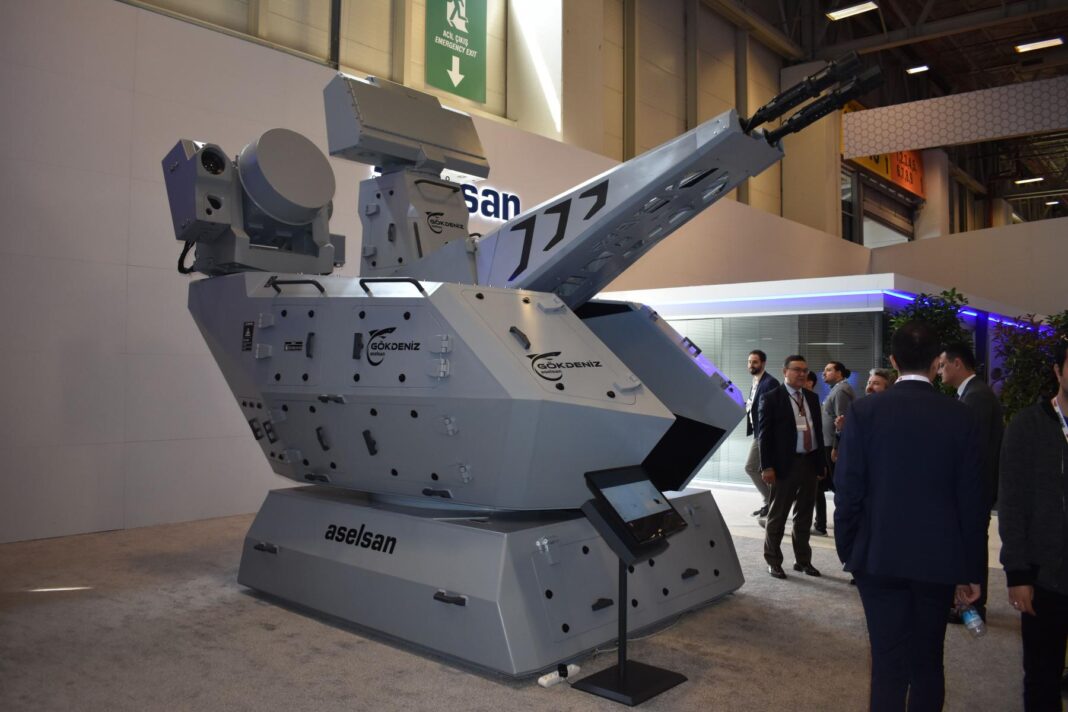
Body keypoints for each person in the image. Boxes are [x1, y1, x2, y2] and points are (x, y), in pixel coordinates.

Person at [834, 321, 985, 712]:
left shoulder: (864, 411)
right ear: (937, 362)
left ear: (893, 361)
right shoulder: (961, 416)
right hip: (938, 561)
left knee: (887, 666)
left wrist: (849, 549)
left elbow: (848, 491)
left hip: (878, 556)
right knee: (928, 661)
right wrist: (972, 570)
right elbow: (973, 501)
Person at [999, 339, 1068, 711]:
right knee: (1042, 677)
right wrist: (1018, 572)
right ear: (1058, 370)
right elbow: (1011, 503)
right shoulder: (1027, 426)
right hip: (1044, 577)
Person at [940, 342, 1004, 622]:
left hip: (974, 489)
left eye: (943, 365)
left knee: (972, 545)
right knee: (971, 543)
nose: (939, 370)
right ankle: (968, 602)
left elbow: (972, 451)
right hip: (975, 487)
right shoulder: (972, 393)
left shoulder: (976, 397)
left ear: (957, 363)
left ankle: (974, 605)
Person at [757, 355, 830, 579]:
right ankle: (773, 561)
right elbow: (764, 436)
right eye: (797, 369)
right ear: (785, 371)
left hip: (809, 462)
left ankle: (803, 561)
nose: (802, 374)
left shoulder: (811, 397)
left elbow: (817, 433)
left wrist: (821, 464)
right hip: (784, 465)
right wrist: (766, 466)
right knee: (778, 516)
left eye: (805, 370)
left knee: (805, 516)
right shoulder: (772, 398)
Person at [815, 361, 855, 534]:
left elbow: (842, 421)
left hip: (832, 445)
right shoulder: (836, 389)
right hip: (827, 443)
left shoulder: (841, 391)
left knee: (838, 486)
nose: (824, 373)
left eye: (829, 370)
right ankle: (822, 523)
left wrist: (836, 447)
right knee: (822, 484)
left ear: (839, 373)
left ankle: (844, 523)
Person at [743, 350, 780, 519]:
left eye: (755, 362)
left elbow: (775, 411)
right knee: (758, 469)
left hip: (766, 433)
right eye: (749, 362)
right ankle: (771, 503)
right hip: (758, 431)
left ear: (763, 363)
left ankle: (771, 501)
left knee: (751, 467)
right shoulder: (756, 381)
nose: (751, 365)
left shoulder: (770, 382)